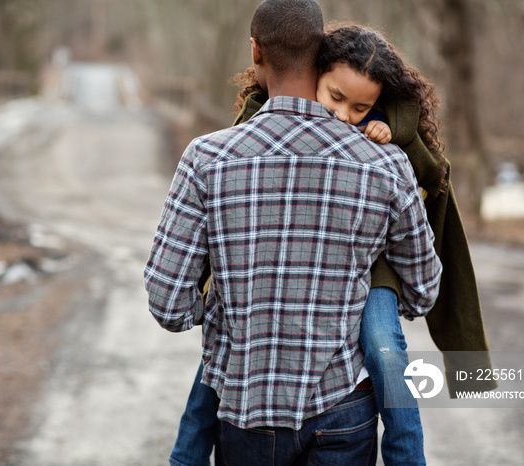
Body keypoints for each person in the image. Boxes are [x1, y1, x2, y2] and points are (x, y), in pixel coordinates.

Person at [145, 1, 442, 464]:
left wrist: (237, 306)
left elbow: (169, 305)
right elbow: (423, 290)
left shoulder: (207, 159)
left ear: (255, 51)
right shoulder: (385, 165)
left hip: (243, 413)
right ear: (319, 54)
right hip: (342, 412)